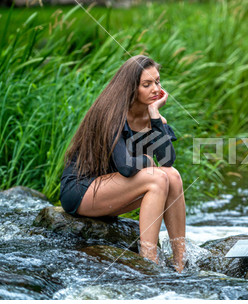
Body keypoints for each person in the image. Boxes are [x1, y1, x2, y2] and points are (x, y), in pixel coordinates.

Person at [59, 55, 186, 273]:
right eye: (146, 84)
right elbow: (125, 167)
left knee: (172, 176)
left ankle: (181, 263)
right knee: (157, 178)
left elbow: (167, 161)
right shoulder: (111, 115)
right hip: (82, 190)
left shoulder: (152, 117)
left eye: (157, 81)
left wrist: (155, 116)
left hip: (113, 190)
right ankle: (149, 261)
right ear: (130, 88)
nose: (155, 89)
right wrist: (146, 160)